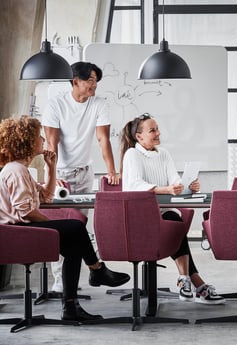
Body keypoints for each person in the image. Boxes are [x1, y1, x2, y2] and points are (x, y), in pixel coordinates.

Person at [0, 115, 130, 321]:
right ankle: (97, 270)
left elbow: (46, 197)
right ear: (26, 140)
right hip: (16, 232)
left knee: (73, 242)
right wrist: (50, 225)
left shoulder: (20, 169)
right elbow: (25, 212)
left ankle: (71, 306)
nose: (43, 139)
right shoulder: (15, 170)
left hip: (20, 230)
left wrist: (51, 167)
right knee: (75, 228)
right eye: (38, 136)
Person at [120, 113, 225, 305]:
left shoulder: (164, 153)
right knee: (175, 222)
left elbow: (174, 180)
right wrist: (166, 189)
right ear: (139, 136)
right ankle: (196, 283)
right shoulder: (132, 154)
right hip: (138, 217)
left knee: (175, 223)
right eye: (152, 130)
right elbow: (134, 184)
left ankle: (186, 280)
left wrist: (187, 186)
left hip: (161, 214)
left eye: (157, 128)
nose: (158, 133)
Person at [42, 61, 120, 293]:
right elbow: (51, 144)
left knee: (79, 225)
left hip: (85, 173)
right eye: (90, 81)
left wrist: (112, 171)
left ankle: (78, 277)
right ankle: (59, 279)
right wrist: (52, 176)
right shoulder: (56, 105)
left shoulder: (98, 104)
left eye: (96, 81)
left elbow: (103, 139)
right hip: (59, 175)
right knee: (60, 228)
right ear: (75, 81)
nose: (94, 86)